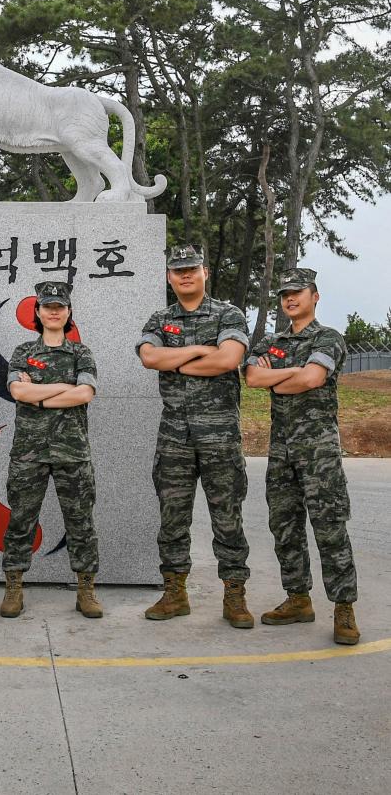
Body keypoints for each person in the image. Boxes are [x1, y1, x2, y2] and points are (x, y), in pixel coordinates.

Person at [137, 244, 253, 628]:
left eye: (191, 268)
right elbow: (150, 358)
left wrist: (179, 358)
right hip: (174, 436)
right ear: (169, 277)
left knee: (227, 516)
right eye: (177, 270)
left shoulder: (228, 314)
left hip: (219, 433)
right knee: (172, 517)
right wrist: (202, 349)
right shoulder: (159, 318)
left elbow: (228, 359)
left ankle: (234, 595)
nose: (185, 275)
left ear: (204, 272)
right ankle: (174, 593)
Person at [244, 267, 360, 645]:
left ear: (315, 296)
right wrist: (294, 370)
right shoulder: (271, 341)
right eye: (284, 294)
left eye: (298, 291)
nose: (290, 298)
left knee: (329, 529)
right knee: (285, 527)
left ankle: (344, 609)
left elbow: (312, 379)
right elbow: (253, 379)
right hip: (281, 452)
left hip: (319, 452)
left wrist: (281, 374)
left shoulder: (329, 338)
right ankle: (298, 599)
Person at [0, 281, 102, 619]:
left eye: (60, 306)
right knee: (20, 521)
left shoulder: (81, 353)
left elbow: (85, 394)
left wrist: (40, 393)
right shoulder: (22, 352)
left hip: (72, 452)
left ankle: (85, 588)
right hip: (29, 452)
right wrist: (63, 389)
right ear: (38, 312)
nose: (54, 311)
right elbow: (17, 392)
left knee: (81, 522)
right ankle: (14, 585)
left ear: (69, 312)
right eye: (47, 306)